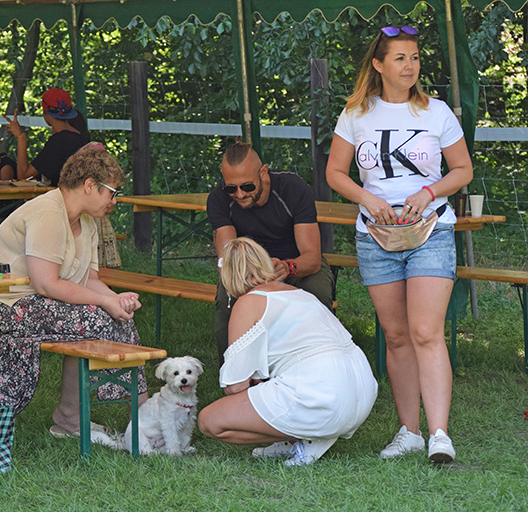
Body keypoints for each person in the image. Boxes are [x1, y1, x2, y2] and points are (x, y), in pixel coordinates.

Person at [325, 25, 473, 464]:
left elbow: (462, 169)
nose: (410, 66)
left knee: (426, 332)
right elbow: (336, 173)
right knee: (395, 335)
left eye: (414, 57)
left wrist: (429, 193)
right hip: (375, 235)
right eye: (400, 58)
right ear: (379, 65)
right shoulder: (356, 114)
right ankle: (409, 430)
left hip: (431, 230)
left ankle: (439, 433)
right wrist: (368, 198)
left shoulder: (437, 112)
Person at [0, 145, 147, 439]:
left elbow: (88, 280)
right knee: (98, 318)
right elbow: (46, 284)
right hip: (2, 304)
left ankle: (110, 420)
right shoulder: (48, 211)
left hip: (35, 302)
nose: (114, 201)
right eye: (111, 192)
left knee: (116, 316)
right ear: (90, 185)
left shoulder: (88, 222)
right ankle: (141, 423)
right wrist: (105, 302)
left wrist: (116, 299)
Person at [198, 237, 378, 467]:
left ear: (228, 275)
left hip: (321, 393)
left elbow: (235, 385)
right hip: (361, 391)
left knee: (210, 422)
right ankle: (308, 433)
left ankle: (305, 435)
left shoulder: (248, 301)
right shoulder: (300, 293)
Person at [206, 142, 334, 363]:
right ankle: (233, 371)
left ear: (263, 173)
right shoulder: (218, 198)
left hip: (295, 263)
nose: (238, 194)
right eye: (231, 188)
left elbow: (312, 258)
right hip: (247, 267)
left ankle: (324, 360)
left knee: (317, 290)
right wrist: (253, 275)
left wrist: (288, 267)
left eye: (247, 186)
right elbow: (227, 259)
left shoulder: (292, 188)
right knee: (226, 296)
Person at [3, 88, 90, 186]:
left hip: (62, 199)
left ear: (45, 112)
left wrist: (21, 137)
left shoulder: (59, 141)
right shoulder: (82, 137)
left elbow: (24, 176)